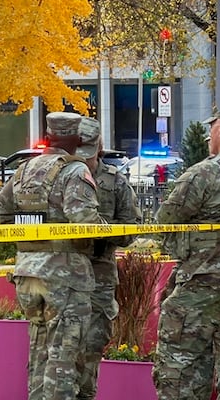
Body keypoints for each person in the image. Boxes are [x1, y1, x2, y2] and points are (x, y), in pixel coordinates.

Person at [0, 111, 102, 400]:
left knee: (39, 354)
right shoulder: (74, 171)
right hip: (65, 278)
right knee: (63, 359)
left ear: (49, 136)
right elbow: (86, 223)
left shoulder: (25, 169)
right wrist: (113, 231)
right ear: (77, 139)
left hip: (28, 275)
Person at [153, 112, 220, 399]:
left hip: (201, 283)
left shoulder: (205, 173)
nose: (209, 136)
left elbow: (166, 218)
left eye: (212, 129)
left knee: (180, 366)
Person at [74, 117, 140, 400]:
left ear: (99, 146)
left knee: (93, 343)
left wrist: (102, 232)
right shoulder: (62, 176)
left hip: (99, 273)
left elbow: (131, 227)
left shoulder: (114, 181)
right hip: (64, 273)